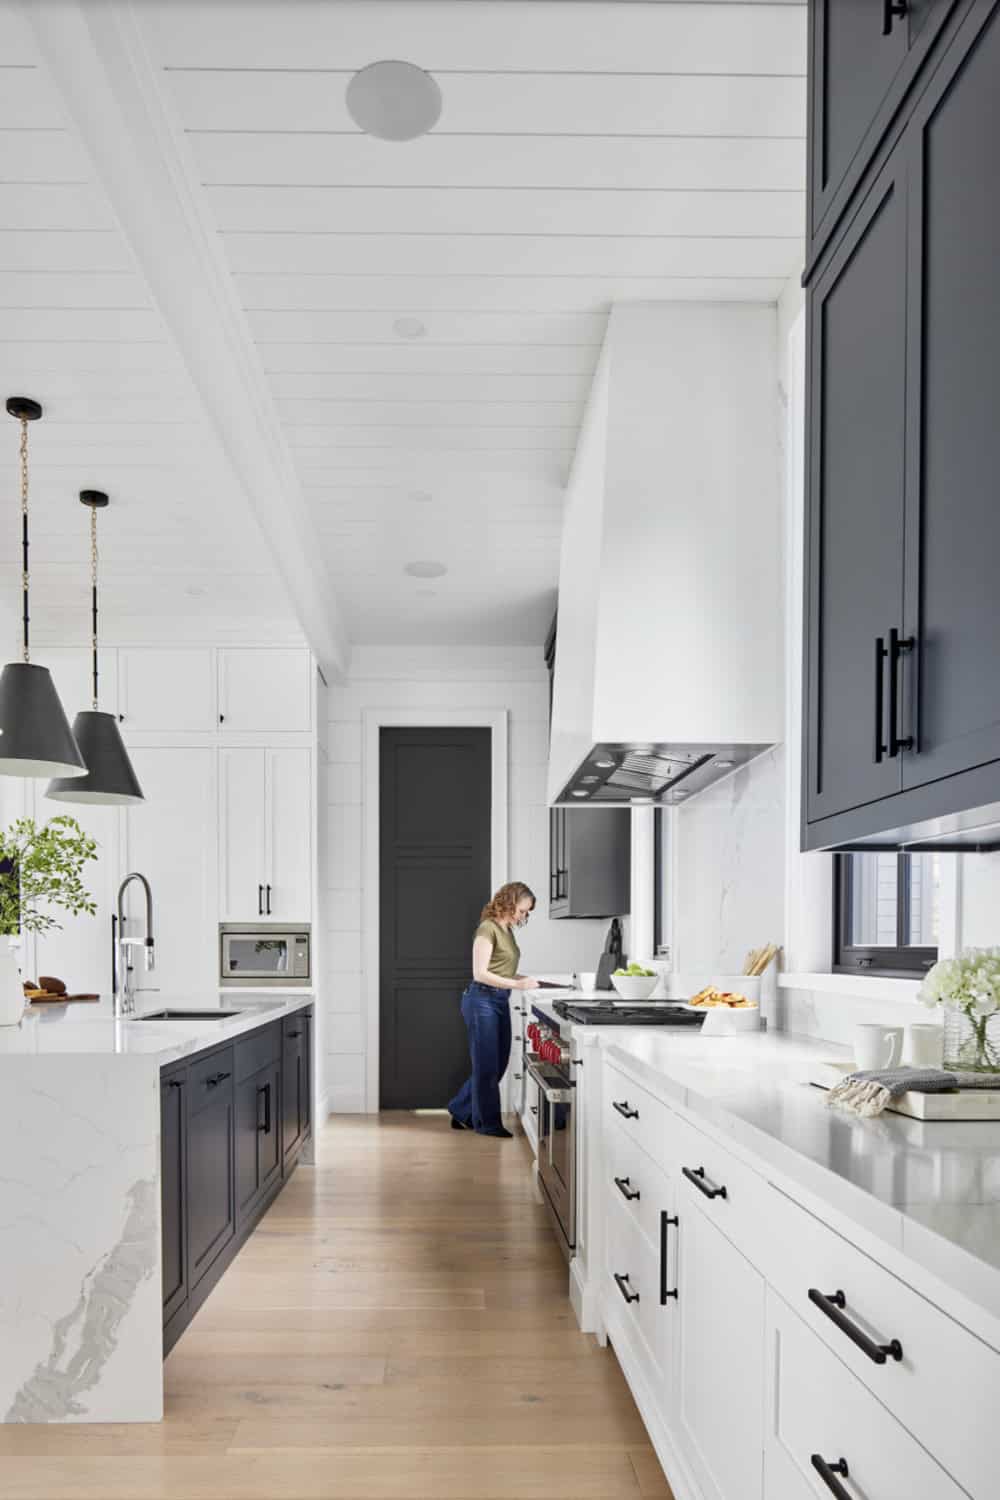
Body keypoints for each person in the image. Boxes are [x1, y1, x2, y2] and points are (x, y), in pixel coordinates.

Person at [448, 881, 539, 1137]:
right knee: (487, 1066)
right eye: (522, 910)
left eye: (526, 912)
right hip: (481, 1001)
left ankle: (460, 1108)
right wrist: (518, 984)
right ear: (509, 903)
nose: (524, 916)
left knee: (496, 1064)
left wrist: (524, 979)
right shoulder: (487, 929)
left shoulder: (507, 930)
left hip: (499, 999)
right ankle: (487, 1124)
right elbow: (480, 973)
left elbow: (501, 969)